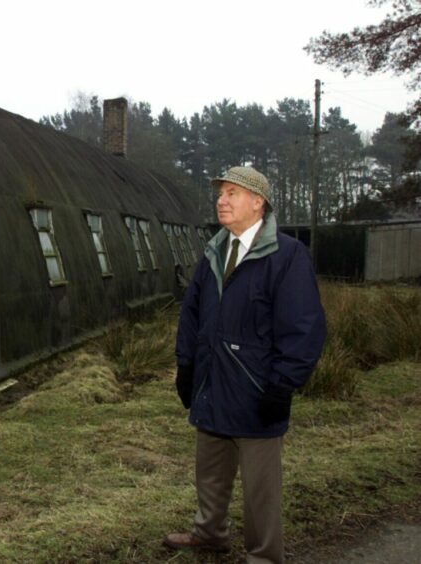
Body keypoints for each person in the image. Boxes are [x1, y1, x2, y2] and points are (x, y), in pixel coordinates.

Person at [164, 166, 326, 564]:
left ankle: (264, 555)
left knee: (260, 488)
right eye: (220, 193)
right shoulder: (214, 252)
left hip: (257, 390)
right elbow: (192, 314)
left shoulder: (286, 256)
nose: (221, 200)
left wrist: (281, 385)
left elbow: (303, 327)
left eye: (232, 193)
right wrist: (186, 367)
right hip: (212, 383)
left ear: (258, 203)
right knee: (211, 471)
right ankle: (210, 533)